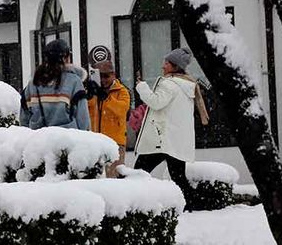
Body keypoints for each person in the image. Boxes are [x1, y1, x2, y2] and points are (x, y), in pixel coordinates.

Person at [133, 47, 209, 204]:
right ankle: (193, 203)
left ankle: (136, 203)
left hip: (162, 140)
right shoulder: (187, 86)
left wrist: (142, 87)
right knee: (179, 178)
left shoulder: (170, 85)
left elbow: (156, 102)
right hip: (177, 141)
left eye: (166, 63)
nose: (163, 66)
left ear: (175, 66)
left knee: (138, 172)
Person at [20, 39, 90, 130]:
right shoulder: (74, 81)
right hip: (67, 139)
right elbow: (82, 117)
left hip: (38, 139)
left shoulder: (33, 83)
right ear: (65, 58)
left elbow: (24, 118)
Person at [87, 60, 131, 177]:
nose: (103, 80)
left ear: (114, 75)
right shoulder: (94, 92)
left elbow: (121, 110)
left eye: (107, 76)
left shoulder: (122, 91)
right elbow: (87, 108)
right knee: (92, 177)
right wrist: (90, 94)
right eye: (100, 77)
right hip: (94, 141)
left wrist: (107, 98)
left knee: (114, 176)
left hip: (115, 142)